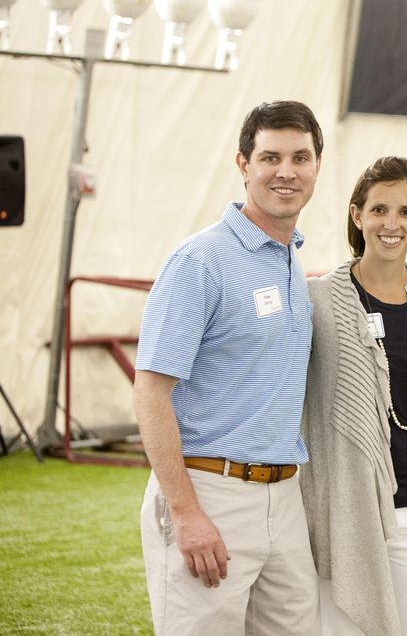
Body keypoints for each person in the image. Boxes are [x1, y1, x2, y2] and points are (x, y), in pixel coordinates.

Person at [133, 100, 323, 635]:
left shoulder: (290, 258)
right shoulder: (200, 261)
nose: (286, 171)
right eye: (270, 157)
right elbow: (150, 392)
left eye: (300, 157)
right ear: (243, 165)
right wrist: (187, 513)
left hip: (285, 498)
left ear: (317, 166)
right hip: (209, 494)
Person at [300, 156, 407, 636]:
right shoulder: (317, 299)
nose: (392, 224)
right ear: (357, 215)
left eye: (406, 212)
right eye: (380, 210)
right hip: (344, 513)